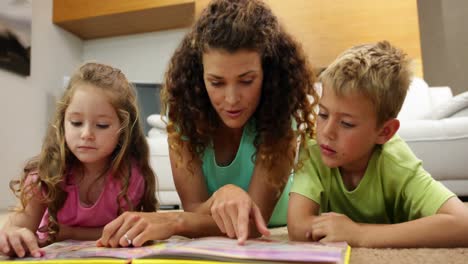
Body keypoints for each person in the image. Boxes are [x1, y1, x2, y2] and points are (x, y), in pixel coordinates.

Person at [98, 0, 318, 246]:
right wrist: (220, 197)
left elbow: (254, 224)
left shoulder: (280, 112)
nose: (232, 99)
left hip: (274, 225)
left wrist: (173, 221)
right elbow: (194, 208)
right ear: (199, 76)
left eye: (246, 81)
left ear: (267, 74)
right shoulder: (183, 112)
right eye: (216, 82)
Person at [288, 41, 468, 247]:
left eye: (346, 123)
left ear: (385, 132)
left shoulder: (396, 162)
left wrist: (360, 234)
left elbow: (463, 223)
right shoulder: (313, 149)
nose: (326, 132)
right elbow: (297, 228)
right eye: (323, 114)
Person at [0, 62, 158, 257]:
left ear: (123, 131)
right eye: (76, 123)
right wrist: (12, 235)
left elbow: (126, 232)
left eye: (101, 125)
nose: (86, 134)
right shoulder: (45, 175)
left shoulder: (131, 178)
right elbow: (17, 227)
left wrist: (69, 233)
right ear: (62, 122)